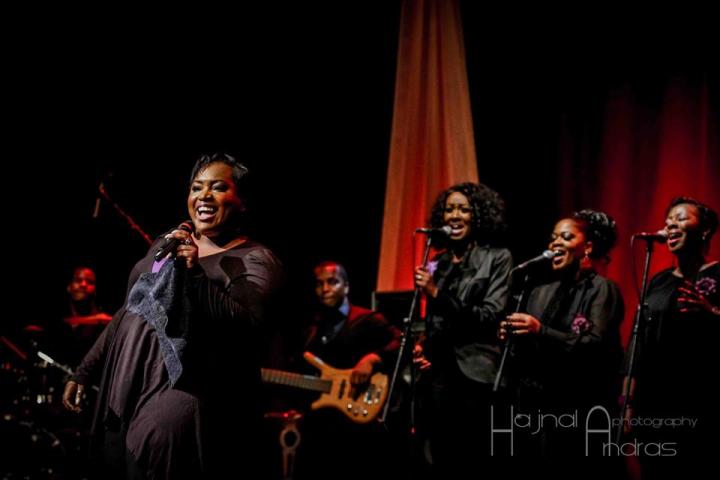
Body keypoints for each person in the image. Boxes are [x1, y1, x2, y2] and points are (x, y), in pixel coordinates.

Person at [62, 153, 284, 479]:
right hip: (126, 385)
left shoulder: (254, 259)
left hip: (181, 393)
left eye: (218, 187)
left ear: (243, 201)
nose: (204, 196)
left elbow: (248, 327)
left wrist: (195, 274)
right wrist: (84, 370)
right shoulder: (167, 245)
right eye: (197, 187)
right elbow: (131, 310)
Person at [500, 209, 624, 457]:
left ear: (587, 247)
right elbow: (529, 351)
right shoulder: (539, 291)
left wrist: (540, 330)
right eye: (553, 237)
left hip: (580, 407)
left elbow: (595, 345)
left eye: (566, 237)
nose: (556, 242)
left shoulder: (602, 289)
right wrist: (511, 336)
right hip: (537, 407)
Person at [413, 182, 513, 475]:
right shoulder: (437, 263)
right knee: (440, 456)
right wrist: (423, 345)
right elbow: (432, 320)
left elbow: (489, 315)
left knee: (473, 457)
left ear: (478, 215)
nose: (454, 215)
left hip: (476, 372)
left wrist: (436, 294)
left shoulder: (497, 257)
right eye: (449, 209)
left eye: (463, 209)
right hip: (438, 373)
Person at [629, 197, 719, 471]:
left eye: (680, 219)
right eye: (668, 221)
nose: (670, 225)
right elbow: (637, 343)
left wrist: (711, 312)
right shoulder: (659, 281)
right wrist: (627, 405)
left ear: (704, 230)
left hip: (699, 403)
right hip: (653, 406)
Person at [292, 260, 401, 480]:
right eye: (319, 284)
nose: (325, 289)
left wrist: (373, 359)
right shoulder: (311, 328)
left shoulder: (367, 320)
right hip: (320, 426)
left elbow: (401, 342)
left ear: (347, 286)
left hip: (356, 429)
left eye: (332, 282)